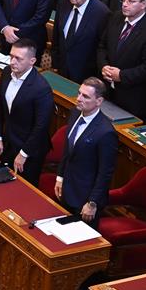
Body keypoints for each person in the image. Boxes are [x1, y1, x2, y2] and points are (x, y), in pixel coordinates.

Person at [0, 39, 54, 186]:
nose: (12, 62)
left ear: (32, 61)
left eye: (18, 58)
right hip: (8, 141)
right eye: (11, 56)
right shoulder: (7, 72)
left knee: (23, 188)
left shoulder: (41, 88)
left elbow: (41, 127)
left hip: (30, 149)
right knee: (3, 184)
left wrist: (24, 154)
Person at [97, 0, 146, 120]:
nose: (124, 4)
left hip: (132, 100)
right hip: (107, 91)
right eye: (123, 0)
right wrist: (103, 66)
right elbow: (102, 46)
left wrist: (121, 75)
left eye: (131, 1)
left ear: (144, 4)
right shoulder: (116, 17)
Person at [55, 77, 118, 222]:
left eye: (85, 96)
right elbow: (67, 150)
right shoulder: (75, 113)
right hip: (66, 190)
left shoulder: (106, 132)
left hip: (85, 199)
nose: (79, 99)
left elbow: (105, 173)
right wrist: (60, 177)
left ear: (99, 101)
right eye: (79, 93)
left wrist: (92, 202)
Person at [52, 0, 110, 84]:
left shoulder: (102, 13)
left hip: (85, 75)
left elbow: (101, 48)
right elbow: (56, 37)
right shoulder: (63, 2)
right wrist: (55, 64)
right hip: (62, 69)